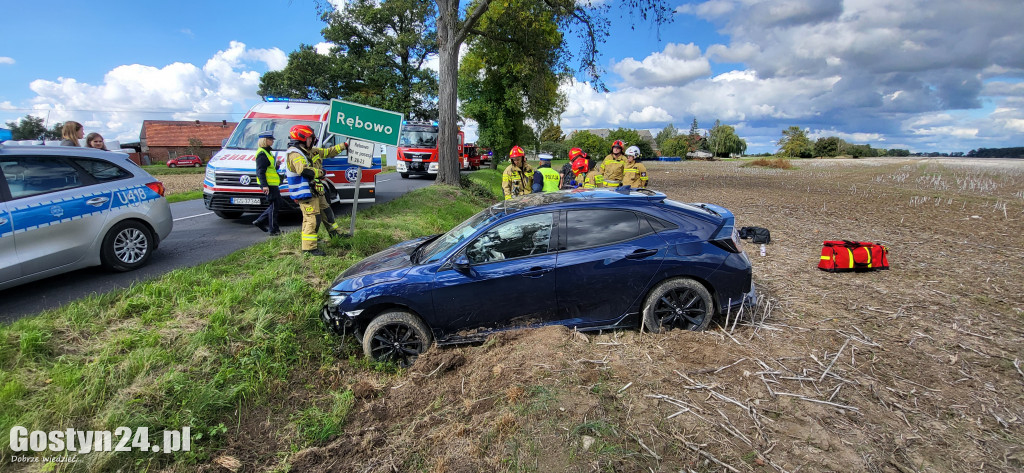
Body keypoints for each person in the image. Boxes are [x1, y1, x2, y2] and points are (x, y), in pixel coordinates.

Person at [284, 125, 346, 256]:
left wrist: (344, 145)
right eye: (310, 138)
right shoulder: (295, 153)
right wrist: (321, 172)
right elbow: (304, 170)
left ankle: (336, 235)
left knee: (327, 213)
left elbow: (328, 152)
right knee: (312, 219)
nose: (313, 140)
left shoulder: (310, 151)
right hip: (305, 192)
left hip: (316, 190)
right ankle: (309, 249)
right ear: (302, 138)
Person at [252, 131, 282, 236]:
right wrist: (264, 185)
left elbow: (271, 169)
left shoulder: (268, 152)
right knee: (274, 206)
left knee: (276, 205)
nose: (272, 141)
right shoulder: (262, 153)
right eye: (270, 139)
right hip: (268, 184)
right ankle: (273, 230)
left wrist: (277, 165)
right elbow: (260, 171)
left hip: (272, 183)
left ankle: (260, 221)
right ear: (265, 140)